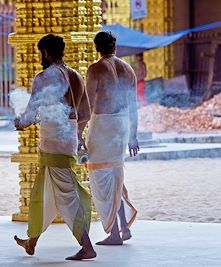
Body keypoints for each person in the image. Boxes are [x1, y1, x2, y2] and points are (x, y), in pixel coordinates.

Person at [13, 34, 96, 261]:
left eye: (41, 53)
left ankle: (87, 246)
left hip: (53, 141)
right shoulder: (75, 76)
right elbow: (85, 113)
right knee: (45, 191)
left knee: (66, 196)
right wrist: (75, 135)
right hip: (66, 137)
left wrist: (20, 123)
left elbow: (30, 113)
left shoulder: (43, 77)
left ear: (46, 53)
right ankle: (32, 242)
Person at [79, 31, 138, 246]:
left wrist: (78, 133)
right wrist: (133, 135)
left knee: (101, 179)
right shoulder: (128, 69)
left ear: (97, 48)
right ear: (115, 47)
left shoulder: (95, 69)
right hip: (122, 125)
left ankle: (114, 233)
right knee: (115, 176)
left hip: (103, 125)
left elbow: (87, 107)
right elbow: (134, 105)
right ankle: (122, 227)